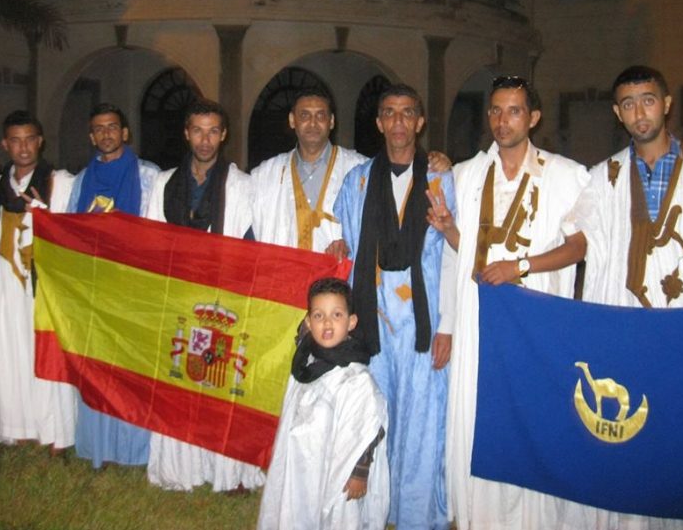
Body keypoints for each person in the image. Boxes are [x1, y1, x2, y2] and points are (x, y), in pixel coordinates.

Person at [571, 65, 683, 530]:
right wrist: (520, 269)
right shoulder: (603, 177)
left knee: (680, 445)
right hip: (622, 334)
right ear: (617, 113)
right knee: (624, 448)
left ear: (666, 103)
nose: (638, 112)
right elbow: (578, 243)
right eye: (627, 103)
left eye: (647, 100)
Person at [430, 75, 591, 529]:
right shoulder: (467, 174)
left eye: (514, 111)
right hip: (479, 318)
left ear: (533, 117)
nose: (503, 121)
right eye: (496, 111)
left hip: (535, 321)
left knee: (529, 417)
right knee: (477, 415)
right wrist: (448, 231)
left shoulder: (564, 174)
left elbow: (579, 246)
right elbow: (473, 258)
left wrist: (520, 267)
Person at [335, 83, 455, 530]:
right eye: (390, 113)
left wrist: (450, 326)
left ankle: (416, 517)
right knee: (373, 414)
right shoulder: (357, 181)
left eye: (408, 113)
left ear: (420, 122)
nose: (399, 122)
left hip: (425, 323)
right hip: (374, 319)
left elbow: (454, 258)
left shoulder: (443, 179)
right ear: (380, 122)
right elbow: (346, 248)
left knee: (423, 425)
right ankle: (368, 511)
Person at [145, 98, 263, 492]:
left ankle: (226, 471)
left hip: (221, 299)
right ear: (186, 133)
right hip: (178, 294)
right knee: (180, 380)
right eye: (198, 130)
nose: (205, 139)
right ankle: (182, 469)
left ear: (224, 134)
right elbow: (152, 240)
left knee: (219, 382)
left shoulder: (241, 186)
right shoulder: (164, 182)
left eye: (213, 131)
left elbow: (249, 244)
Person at [0, 110, 75, 450]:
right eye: (15, 140)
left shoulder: (61, 183)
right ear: (4, 144)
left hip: (42, 288)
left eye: (29, 139)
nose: (23, 147)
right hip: (5, 289)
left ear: (40, 141)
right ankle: (14, 427)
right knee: (9, 353)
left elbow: (72, 239)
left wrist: (45, 220)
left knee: (43, 353)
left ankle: (53, 432)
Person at [68, 103, 160, 468]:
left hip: (135, 286)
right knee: (97, 369)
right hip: (95, 287)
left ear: (125, 133)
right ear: (92, 136)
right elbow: (72, 231)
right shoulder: (80, 181)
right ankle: (100, 449)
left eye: (112, 127)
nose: (106, 134)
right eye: (99, 128)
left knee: (133, 371)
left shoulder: (149, 176)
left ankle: (134, 451)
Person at [257, 277, 389, 530]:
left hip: (337, 470)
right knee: (298, 505)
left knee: (337, 516)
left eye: (337, 315)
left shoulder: (355, 378)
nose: (327, 323)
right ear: (308, 322)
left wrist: (359, 472)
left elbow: (370, 426)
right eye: (318, 316)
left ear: (351, 322)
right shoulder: (306, 364)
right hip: (302, 460)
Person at [250, 88, 366, 254]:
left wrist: (350, 245)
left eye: (320, 116)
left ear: (331, 121)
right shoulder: (266, 174)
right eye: (304, 115)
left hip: (340, 277)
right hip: (285, 275)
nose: (313, 123)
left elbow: (375, 231)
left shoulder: (359, 170)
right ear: (292, 120)